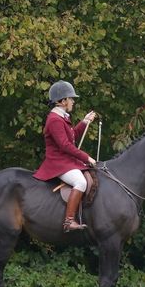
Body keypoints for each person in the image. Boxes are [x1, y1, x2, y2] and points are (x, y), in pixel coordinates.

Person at [33, 80, 98, 231]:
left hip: (66, 161)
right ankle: (69, 221)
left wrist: (84, 122)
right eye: (71, 98)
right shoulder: (54, 120)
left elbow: (72, 135)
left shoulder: (61, 117)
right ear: (63, 101)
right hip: (58, 163)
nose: (73, 101)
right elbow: (65, 145)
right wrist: (86, 157)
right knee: (80, 182)